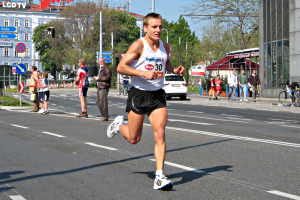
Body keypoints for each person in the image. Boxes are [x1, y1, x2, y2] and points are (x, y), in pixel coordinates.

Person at [106, 12, 185, 191]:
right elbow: (121, 67)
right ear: (145, 28)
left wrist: (175, 70)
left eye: (160, 26)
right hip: (139, 94)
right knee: (134, 138)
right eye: (154, 27)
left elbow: (166, 64)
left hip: (157, 95)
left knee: (160, 133)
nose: (158, 30)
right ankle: (119, 126)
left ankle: (159, 176)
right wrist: (143, 73)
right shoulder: (138, 45)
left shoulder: (165, 46)